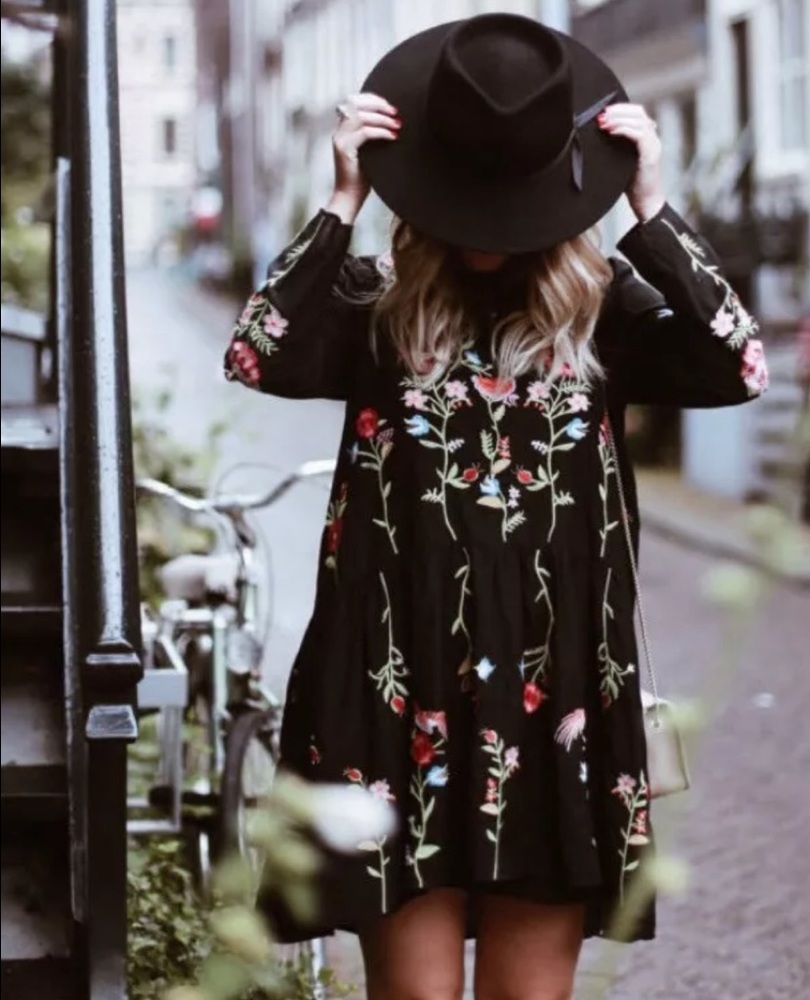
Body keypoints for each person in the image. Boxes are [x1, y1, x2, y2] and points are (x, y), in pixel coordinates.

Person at [224, 13, 767, 1000]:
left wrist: (652, 208)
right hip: (393, 704)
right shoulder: (375, 307)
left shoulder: (605, 313)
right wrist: (340, 201)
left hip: (558, 710)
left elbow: (739, 367)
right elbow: (259, 353)